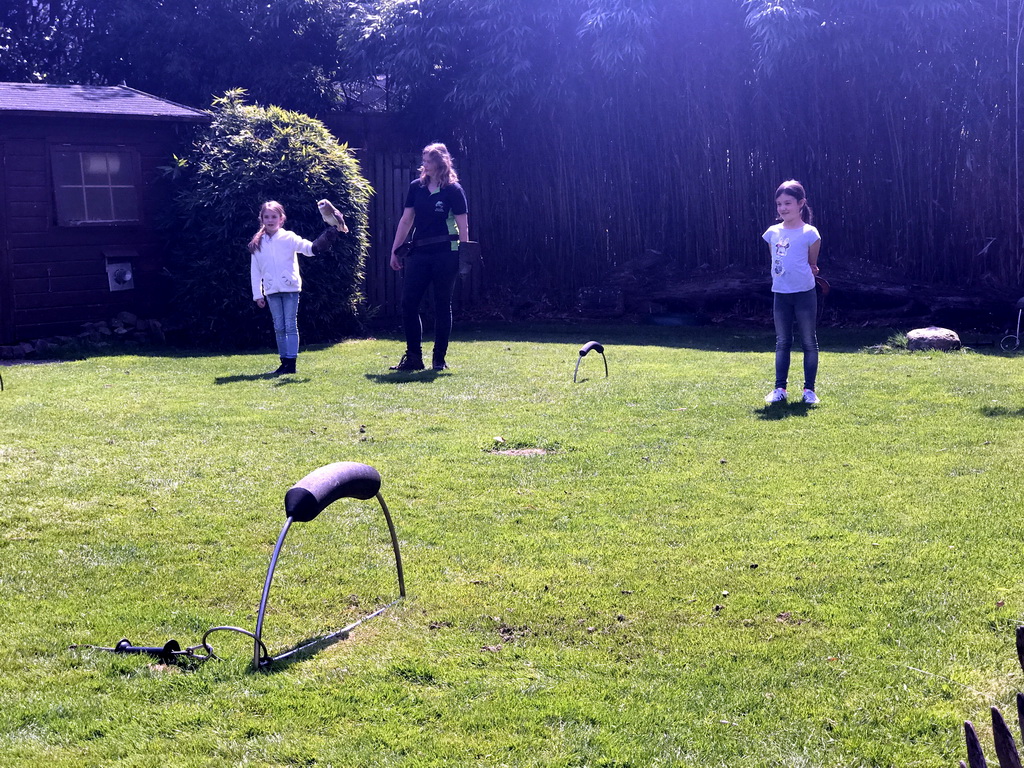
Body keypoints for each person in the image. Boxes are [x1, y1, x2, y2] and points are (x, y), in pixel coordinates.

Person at [388, 143, 469, 371]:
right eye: (423, 159)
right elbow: (406, 220)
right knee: (408, 303)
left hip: (447, 254)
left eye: (428, 160)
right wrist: (395, 250)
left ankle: (439, 359)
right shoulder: (416, 187)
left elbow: (464, 227)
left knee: (442, 304)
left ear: (440, 163)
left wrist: (464, 256)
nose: (424, 163)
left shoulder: (454, 190)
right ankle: (414, 357)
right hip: (419, 253)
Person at [249, 200, 341, 375]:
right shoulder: (257, 243)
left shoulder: (289, 237)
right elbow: (255, 271)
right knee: (279, 327)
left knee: (290, 325)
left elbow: (308, 248)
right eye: (266, 217)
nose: (270, 220)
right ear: (261, 219)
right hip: (271, 290)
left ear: (281, 219)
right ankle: (283, 362)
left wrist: (324, 240)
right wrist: (257, 294)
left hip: (290, 288)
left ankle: (291, 363)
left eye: (274, 217)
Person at [762, 180, 822, 405]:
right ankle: (780, 388)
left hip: (805, 293)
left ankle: (809, 390)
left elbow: (811, 264)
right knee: (782, 341)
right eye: (779, 204)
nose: (783, 208)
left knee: (808, 341)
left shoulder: (810, 233)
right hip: (781, 294)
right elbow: (776, 262)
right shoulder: (772, 233)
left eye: (787, 203)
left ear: (801, 204)